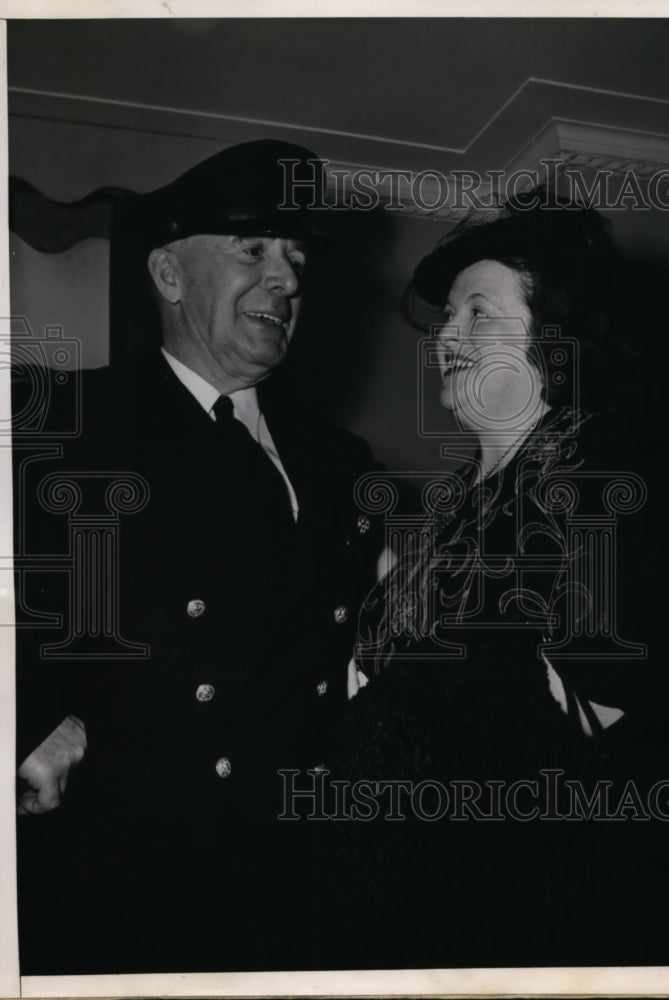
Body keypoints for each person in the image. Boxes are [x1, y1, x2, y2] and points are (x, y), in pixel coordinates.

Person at [319, 187, 669, 969]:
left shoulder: (602, 475)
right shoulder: (453, 506)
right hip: (410, 913)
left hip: (534, 920)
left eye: (479, 313)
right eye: (448, 316)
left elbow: (606, 725)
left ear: (556, 338)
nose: (447, 334)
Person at [13, 140, 382, 974]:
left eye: (295, 260)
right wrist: (23, 720)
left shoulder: (343, 462)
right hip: (120, 884)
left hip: (296, 883)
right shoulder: (65, 422)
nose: (286, 280)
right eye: (253, 250)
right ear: (170, 275)